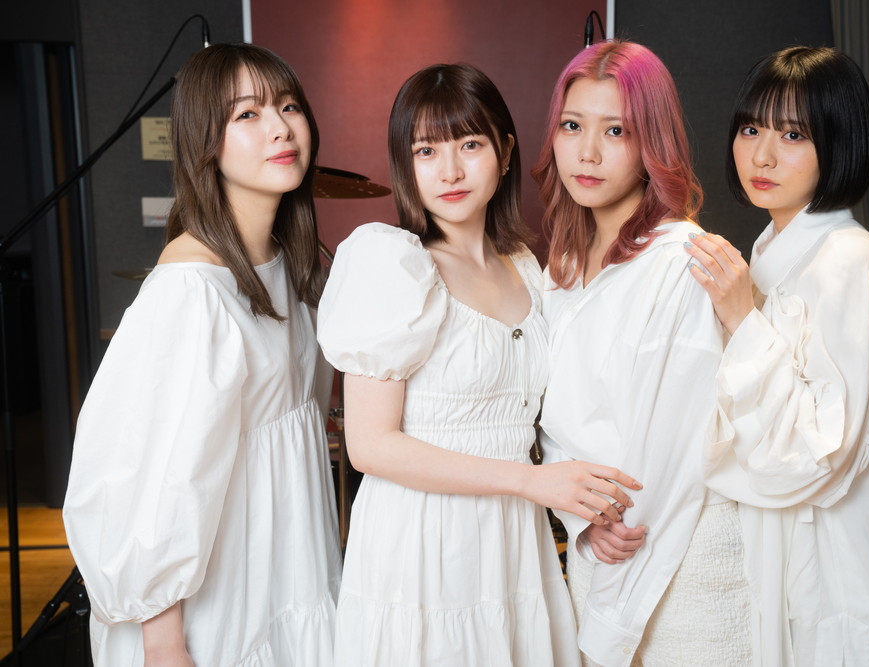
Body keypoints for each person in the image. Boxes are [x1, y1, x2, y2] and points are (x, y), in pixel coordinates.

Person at [317, 63, 641, 667]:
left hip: (513, 540)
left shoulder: (525, 267)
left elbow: (543, 420)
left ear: (505, 151)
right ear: (406, 163)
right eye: (426, 151)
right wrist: (530, 483)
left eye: (469, 145)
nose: (450, 171)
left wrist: (578, 505)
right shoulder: (392, 263)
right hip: (422, 542)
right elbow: (369, 447)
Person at [62, 43, 342, 666]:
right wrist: (164, 642)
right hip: (220, 593)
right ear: (205, 142)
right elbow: (149, 472)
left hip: (291, 562)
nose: (279, 128)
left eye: (288, 106)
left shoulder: (290, 265)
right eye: (247, 114)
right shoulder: (191, 290)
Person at [684, 46, 869, 666]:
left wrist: (741, 318)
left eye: (793, 135)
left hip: (839, 551)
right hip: (785, 538)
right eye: (751, 129)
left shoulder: (848, 258)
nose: (762, 155)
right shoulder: (769, 246)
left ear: (839, 143)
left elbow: (822, 451)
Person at [533, 40, 752, 667]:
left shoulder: (681, 259)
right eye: (572, 126)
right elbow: (549, 416)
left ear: (652, 142)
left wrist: (607, 525)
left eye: (616, 131)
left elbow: (675, 443)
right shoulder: (561, 267)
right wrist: (582, 519)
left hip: (677, 557)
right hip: (597, 542)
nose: (587, 152)